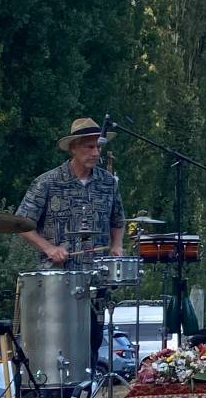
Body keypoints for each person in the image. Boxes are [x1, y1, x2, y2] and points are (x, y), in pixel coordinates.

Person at [16, 117, 126, 361]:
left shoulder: (108, 183)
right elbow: (21, 224)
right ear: (74, 147)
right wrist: (49, 248)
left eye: (98, 146)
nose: (95, 152)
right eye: (89, 147)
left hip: (96, 278)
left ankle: (88, 396)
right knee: (56, 343)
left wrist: (117, 245)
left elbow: (118, 220)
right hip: (56, 278)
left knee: (92, 343)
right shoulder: (47, 182)